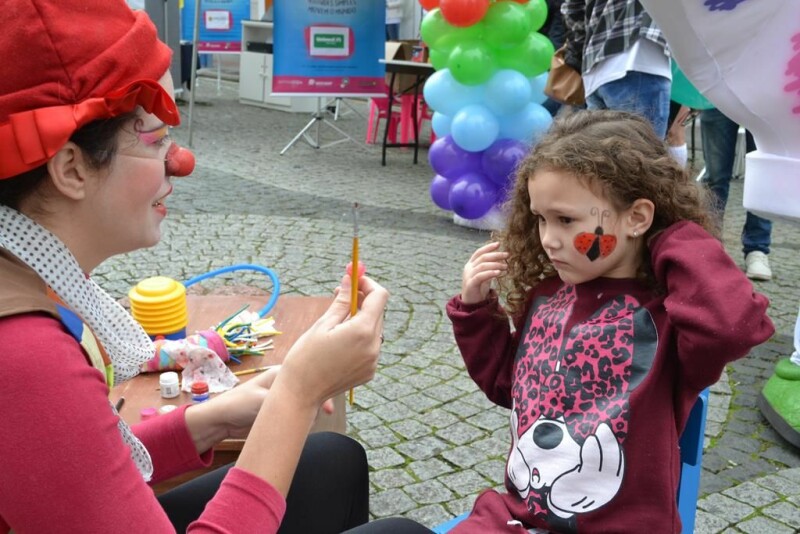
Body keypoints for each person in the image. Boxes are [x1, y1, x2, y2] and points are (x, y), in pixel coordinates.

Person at [0, 2, 430, 533]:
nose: (180, 163)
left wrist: (215, 419)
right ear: (71, 168)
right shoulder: (24, 354)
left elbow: (86, 469)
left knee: (333, 461)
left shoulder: (32, 278)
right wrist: (295, 395)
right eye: (156, 140)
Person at [446, 110, 773, 532]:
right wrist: (477, 312)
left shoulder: (672, 316)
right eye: (541, 218)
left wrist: (676, 235)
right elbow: (508, 386)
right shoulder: (547, 297)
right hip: (518, 516)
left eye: (566, 220)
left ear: (637, 217)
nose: (547, 237)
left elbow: (734, 326)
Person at [561, 0, 671, 138]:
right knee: (641, 155)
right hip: (638, 60)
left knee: (599, 156)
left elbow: (571, 9)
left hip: (595, 70)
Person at [700, 107, 774, 281]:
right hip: (717, 91)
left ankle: (757, 248)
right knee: (715, 177)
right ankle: (707, 245)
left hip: (762, 96)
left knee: (763, 173)